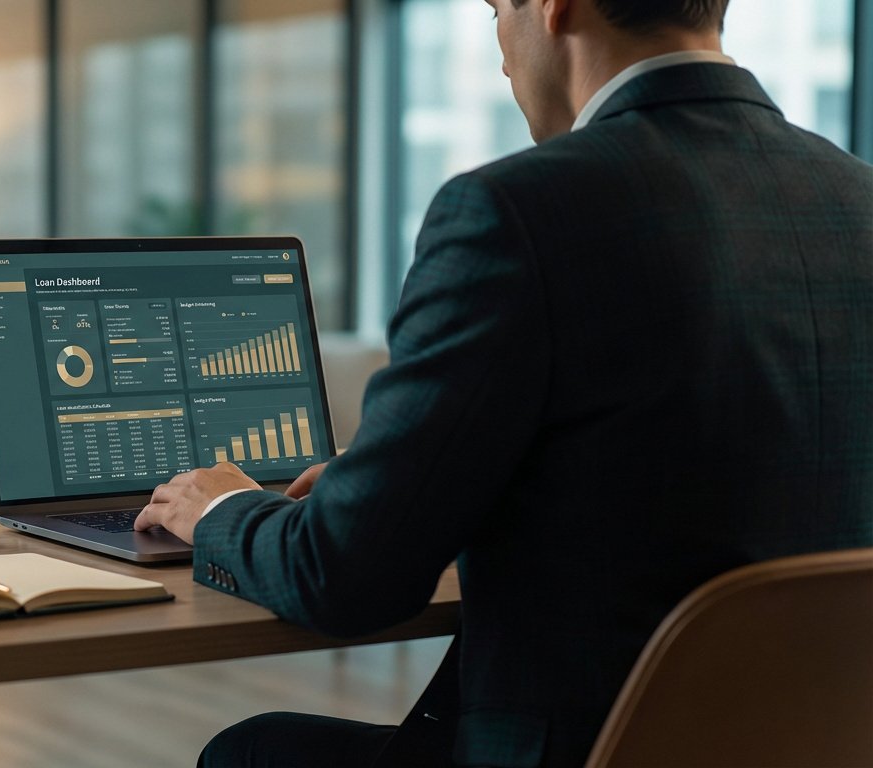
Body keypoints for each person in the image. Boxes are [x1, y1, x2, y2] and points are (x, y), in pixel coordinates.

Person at [133, 0, 873, 765]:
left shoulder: (514, 212)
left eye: (494, 8)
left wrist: (221, 506)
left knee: (252, 754)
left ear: (554, 8)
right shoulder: (858, 200)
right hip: (803, 744)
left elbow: (344, 582)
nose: (499, 49)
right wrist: (391, 488)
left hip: (580, 746)